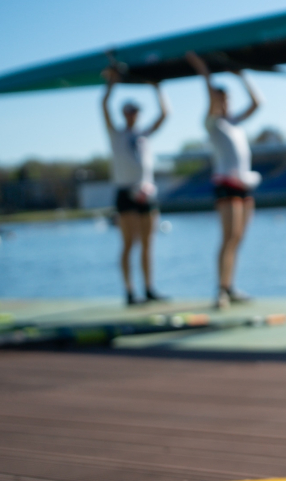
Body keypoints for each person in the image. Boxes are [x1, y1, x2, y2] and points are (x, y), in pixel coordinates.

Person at [187, 52, 263, 310]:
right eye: (219, 98)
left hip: (244, 186)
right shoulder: (212, 123)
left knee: (239, 237)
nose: (224, 103)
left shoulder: (234, 123)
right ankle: (220, 290)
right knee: (228, 237)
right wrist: (203, 71)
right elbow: (209, 96)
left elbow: (257, 103)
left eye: (227, 98)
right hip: (226, 185)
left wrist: (242, 77)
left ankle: (230, 286)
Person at [101, 68, 169, 306]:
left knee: (148, 244)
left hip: (146, 192)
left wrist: (157, 88)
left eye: (136, 111)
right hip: (125, 192)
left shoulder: (144, 135)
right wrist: (112, 84)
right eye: (129, 111)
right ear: (124, 114)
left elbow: (165, 114)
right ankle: (130, 291)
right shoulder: (116, 134)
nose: (133, 115)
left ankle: (149, 288)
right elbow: (103, 106)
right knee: (129, 244)